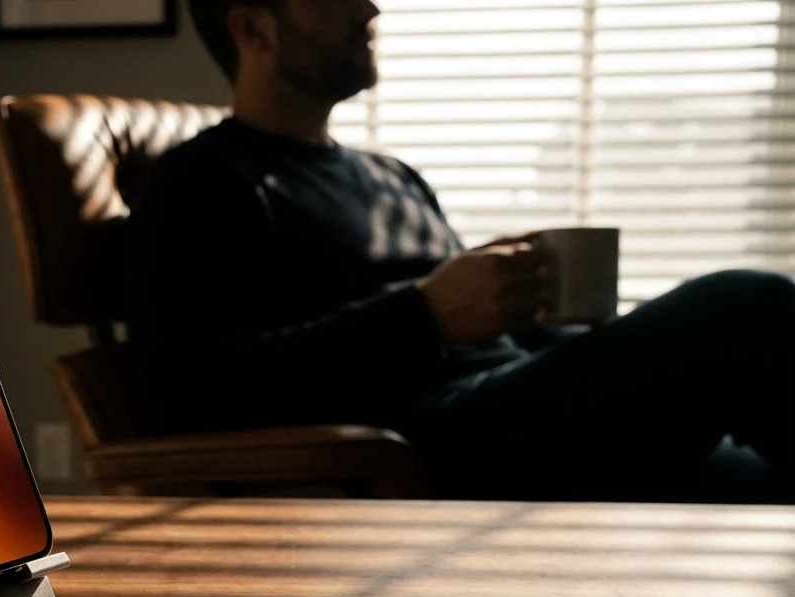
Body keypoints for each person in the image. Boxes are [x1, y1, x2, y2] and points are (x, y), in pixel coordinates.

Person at [127, 0, 795, 501]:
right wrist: (425, 314)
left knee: (763, 486)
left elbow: (487, 334)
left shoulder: (392, 176)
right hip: (419, 442)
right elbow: (188, 387)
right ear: (253, 29)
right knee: (742, 306)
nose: (369, 9)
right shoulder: (204, 179)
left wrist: (554, 321)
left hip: (510, 399)